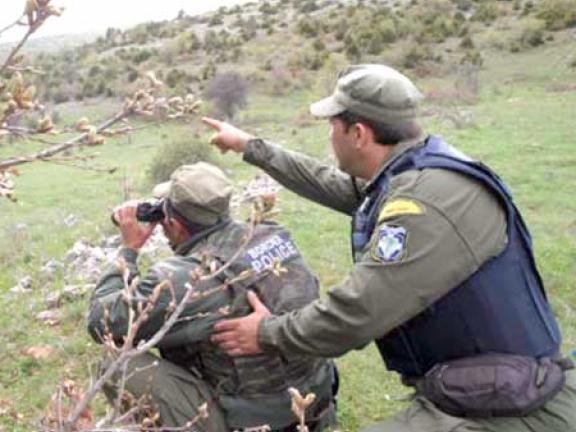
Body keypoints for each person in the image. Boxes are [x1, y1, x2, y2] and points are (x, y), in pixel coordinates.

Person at [203, 64, 576, 432]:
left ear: (359, 134)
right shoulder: (413, 171)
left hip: (513, 405)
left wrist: (267, 333)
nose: (329, 135)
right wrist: (250, 147)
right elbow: (331, 184)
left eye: (332, 126)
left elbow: (357, 312)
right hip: (481, 387)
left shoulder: (424, 203)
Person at [86, 162, 338, 432]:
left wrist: (129, 250)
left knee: (116, 363)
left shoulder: (189, 278)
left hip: (257, 422)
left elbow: (102, 323)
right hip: (313, 402)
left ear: (171, 222)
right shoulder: (272, 234)